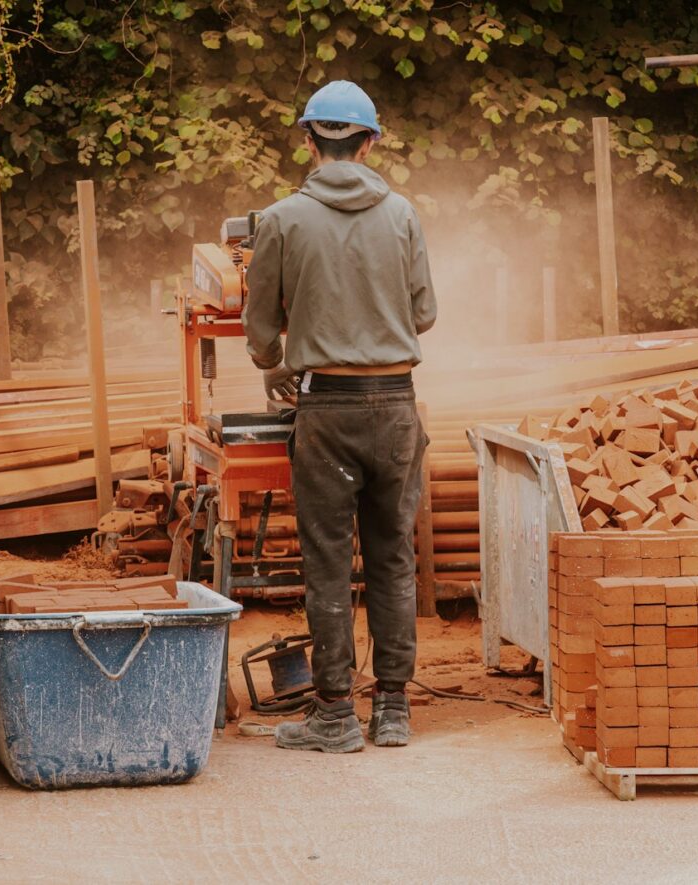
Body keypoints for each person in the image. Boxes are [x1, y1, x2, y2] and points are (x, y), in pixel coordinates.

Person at [243, 80, 437, 752]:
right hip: (396, 409)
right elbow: (424, 315)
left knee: (330, 562)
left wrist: (286, 349)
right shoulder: (405, 215)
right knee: (392, 556)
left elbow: (262, 334)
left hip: (326, 409)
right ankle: (392, 709)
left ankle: (334, 714)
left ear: (308, 141)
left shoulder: (280, 219)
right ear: (371, 141)